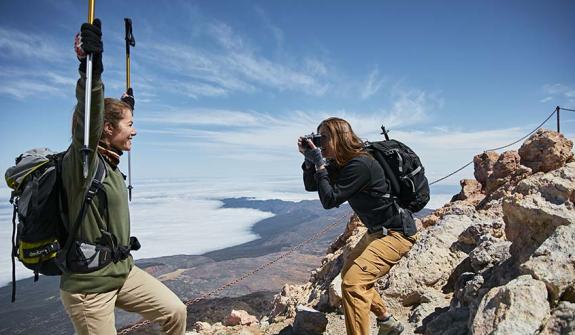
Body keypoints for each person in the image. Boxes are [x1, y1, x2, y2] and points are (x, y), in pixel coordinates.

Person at [59, 19, 187, 334]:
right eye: (129, 125)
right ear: (106, 129)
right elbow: (87, 114)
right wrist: (92, 71)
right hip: (90, 287)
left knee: (176, 312)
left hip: (122, 272)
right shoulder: (83, 162)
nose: (135, 130)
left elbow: (106, 119)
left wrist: (124, 107)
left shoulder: (110, 162)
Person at [298, 117, 417, 335]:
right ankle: (387, 321)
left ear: (339, 138)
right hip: (377, 232)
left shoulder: (360, 163)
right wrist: (309, 161)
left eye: (324, 137)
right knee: (349, 274)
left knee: (353, 284)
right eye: (318, 137)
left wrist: (320, 164)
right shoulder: (342, 163)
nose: (320, 142)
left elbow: (329, 200)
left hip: (396, 233)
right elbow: (311, 186)